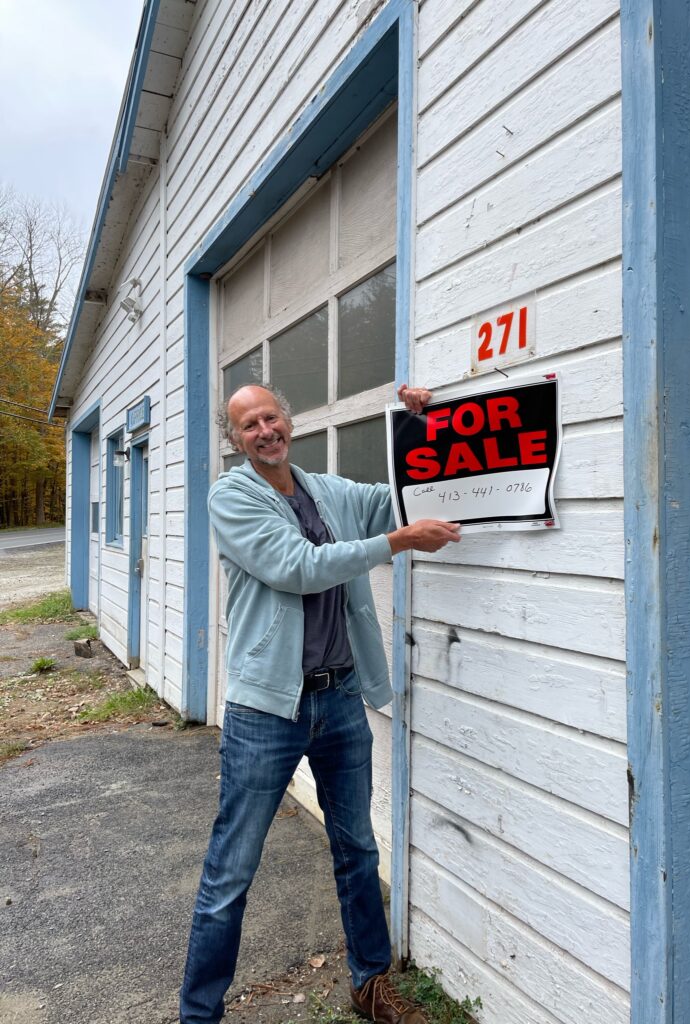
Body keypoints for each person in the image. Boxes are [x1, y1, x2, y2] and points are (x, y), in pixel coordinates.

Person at [180, 382, 461, 1024]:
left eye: (271, 416)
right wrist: (398, 544)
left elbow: (399, 497)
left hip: (337, 699)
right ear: (237, 440)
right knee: (231, 873)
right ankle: (199, 1014)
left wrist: (422, 426)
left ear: (289, 420)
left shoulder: (328, 491)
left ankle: (370, 985)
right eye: (248, 424)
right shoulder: (233, 495)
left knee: (358, 848)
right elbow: (299, 566)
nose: (263, 430)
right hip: (265, 712)